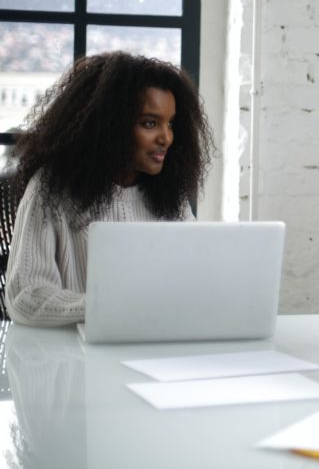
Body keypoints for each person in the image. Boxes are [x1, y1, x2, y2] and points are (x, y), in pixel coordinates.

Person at [4, 52, 214, 327]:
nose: (166, 137)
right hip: (73, 361)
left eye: (171, 123)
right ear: (109, 126)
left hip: (154, 353)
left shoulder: (168, 195)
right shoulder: (51, 189)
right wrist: (113, 308)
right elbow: (26, 298)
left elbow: (193, 281)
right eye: (150, 123)